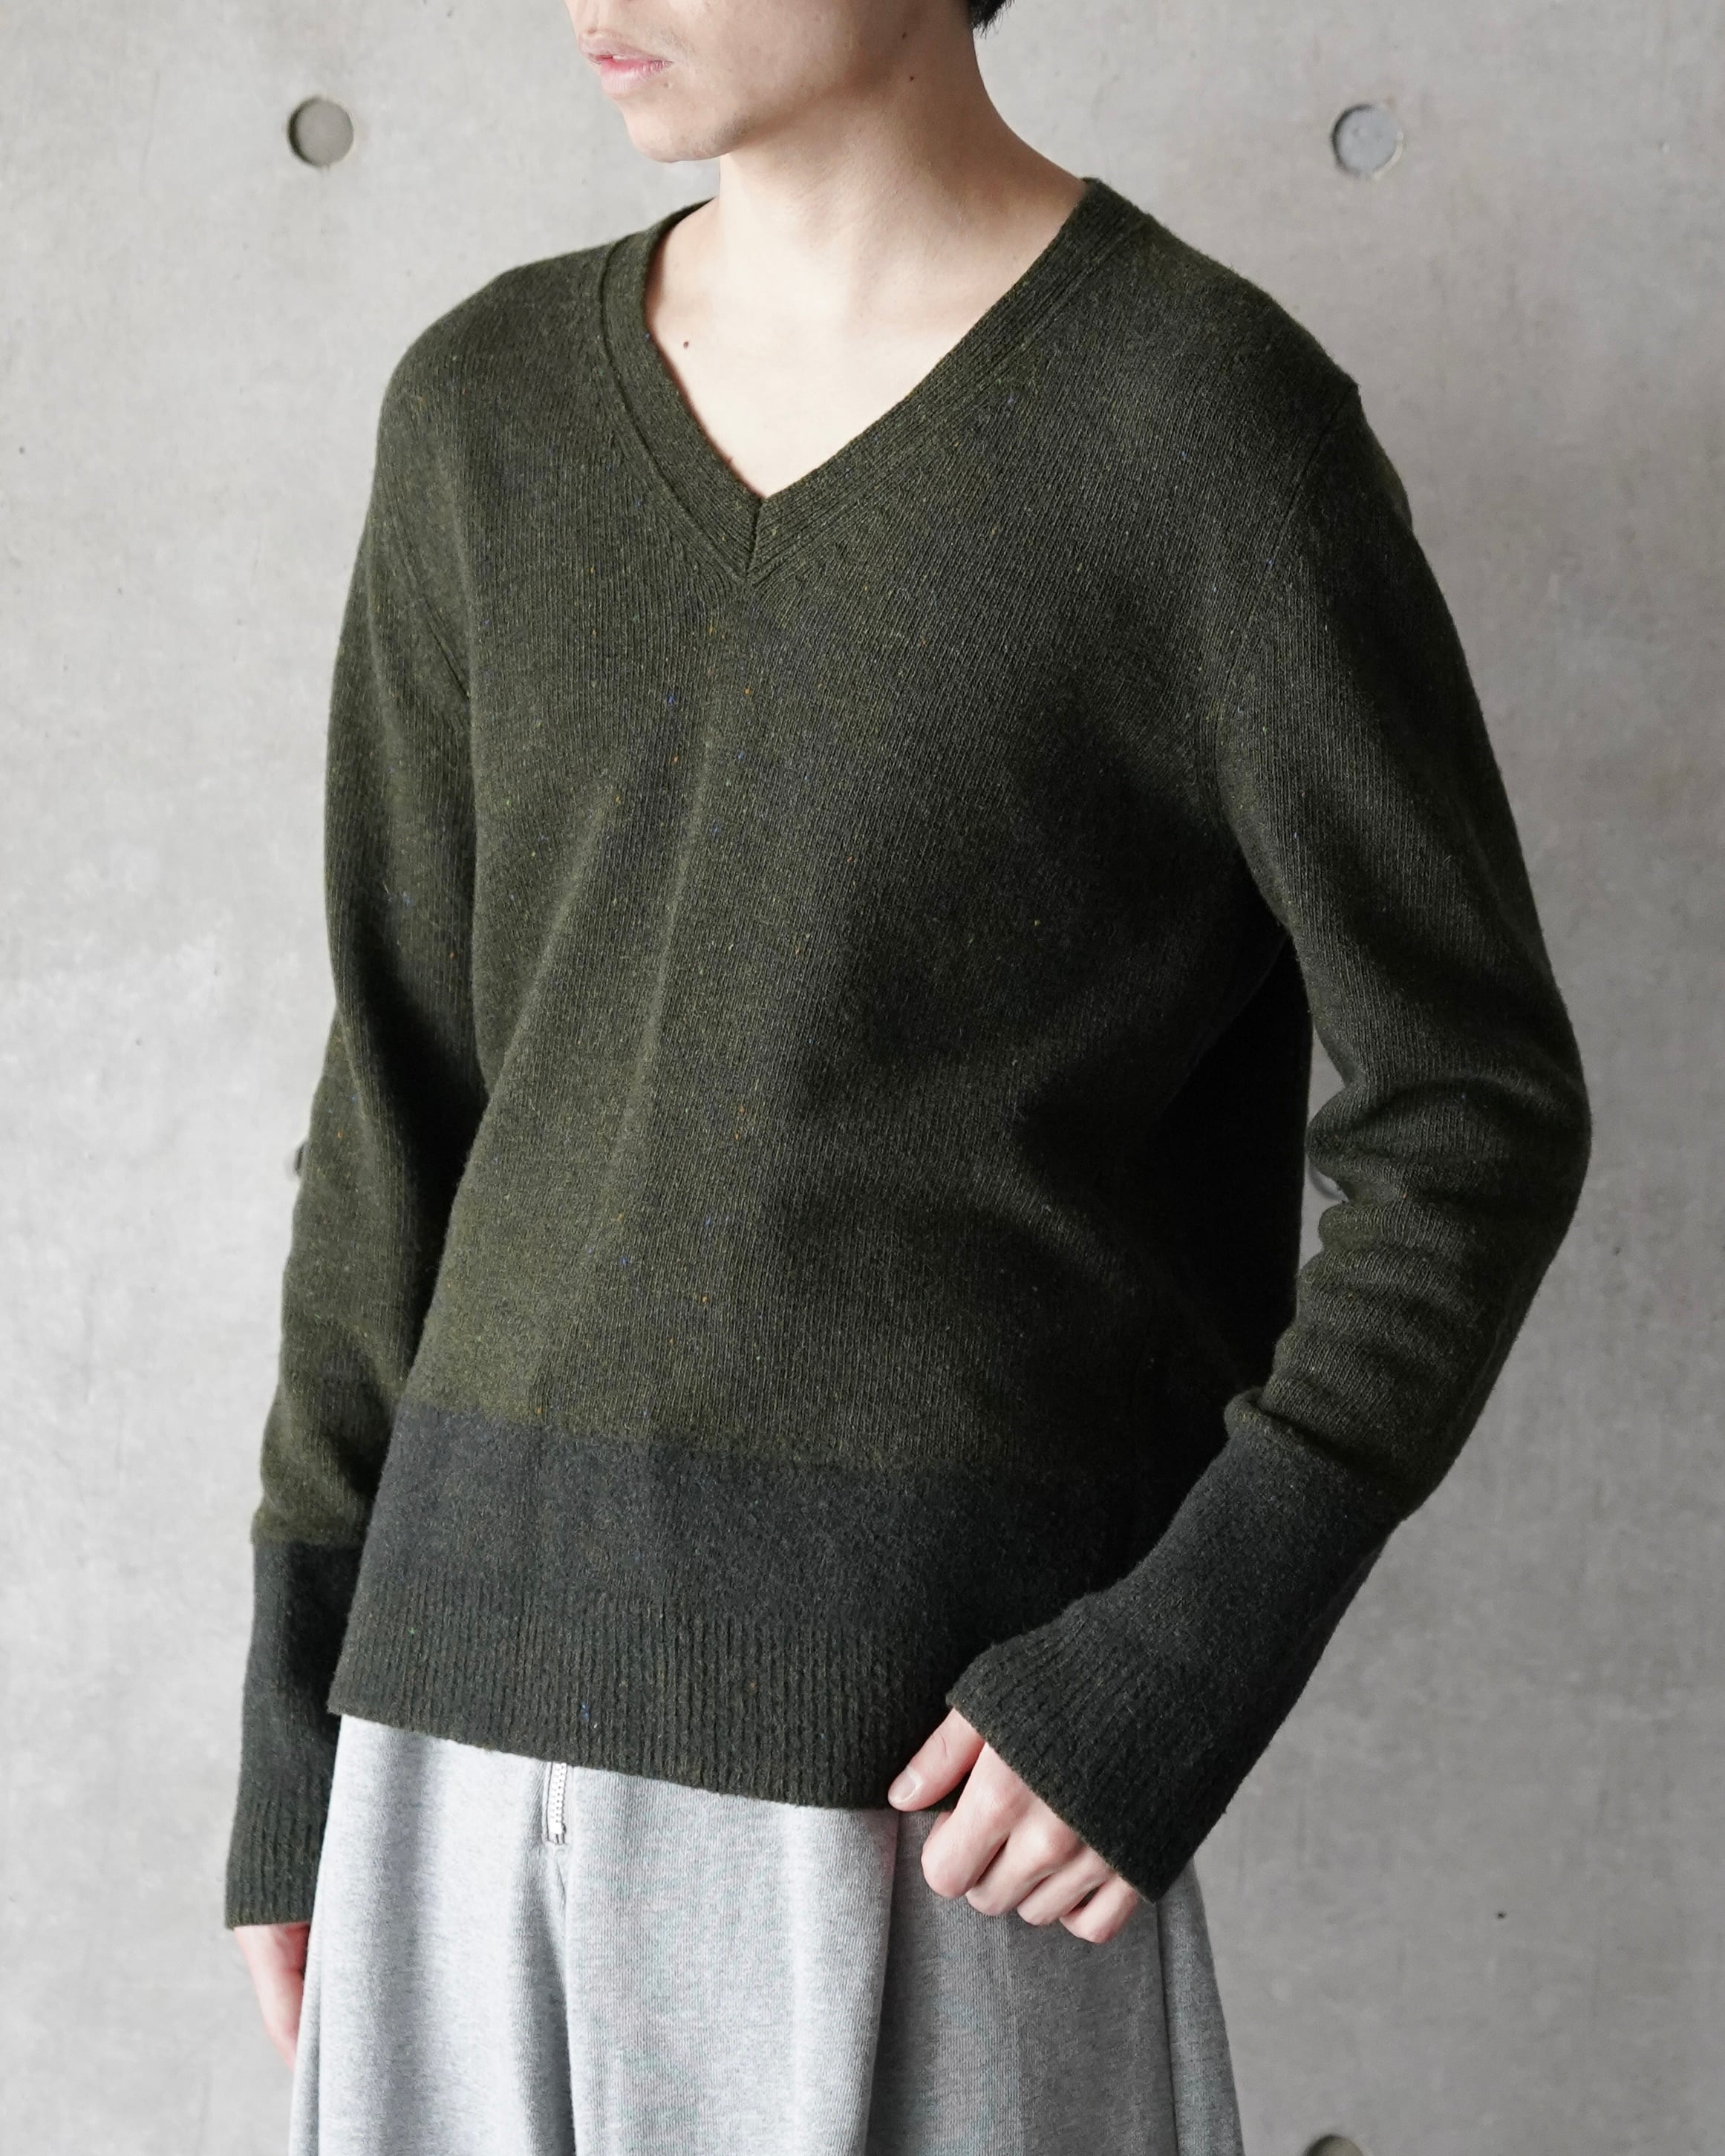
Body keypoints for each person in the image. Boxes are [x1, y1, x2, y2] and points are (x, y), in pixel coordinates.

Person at [226, 0, 1591, 2148]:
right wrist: (296, 1721)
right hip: (446, 1742)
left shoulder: (1201, 427)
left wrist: (1181, 1658)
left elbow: (1471, 1111)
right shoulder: (483, 410)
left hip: (934, 1781)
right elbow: (396, 1098)